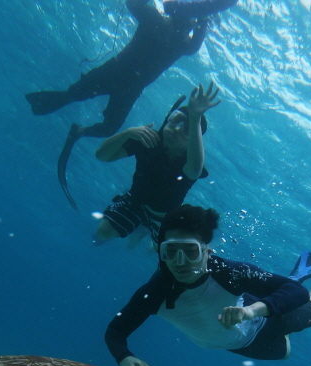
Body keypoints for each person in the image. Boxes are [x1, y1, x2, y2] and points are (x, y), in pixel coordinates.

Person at [104, 205, 311, 366]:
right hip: (235, 344)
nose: (180, 262)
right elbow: (116, 330)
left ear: (207, 250)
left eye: (191, 251)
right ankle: (279, 285)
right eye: (171, 252)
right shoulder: (154, 292)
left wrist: (250, 311)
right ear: (161, 252)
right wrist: (124, 357)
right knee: (286, 352)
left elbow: (296, 293)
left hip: (259, 319)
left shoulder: (229, 272)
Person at [24, 0, 237, 208]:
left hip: (123, 82)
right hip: (119, 77)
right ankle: (74, 126)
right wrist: (204, 14)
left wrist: (203, 15)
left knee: (104, 123)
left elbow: (140, 5)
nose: (188, 24)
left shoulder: (171, 33)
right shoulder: (171, 34)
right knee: (78, 100)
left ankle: (78, 131)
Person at [92, 81, 219, 246]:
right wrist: (126, 134)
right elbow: (102, 156)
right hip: (135, 200)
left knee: (162, 251)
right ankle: (139, 227)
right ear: (167, 121)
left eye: (187, 129)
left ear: (193, 141)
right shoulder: (147, 141)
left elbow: (195, 170)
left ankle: (143, 230)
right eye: (176, 121)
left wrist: (195, 118)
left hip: (164, 214)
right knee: (102, 233)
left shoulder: (189, 162)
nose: (178, 129)